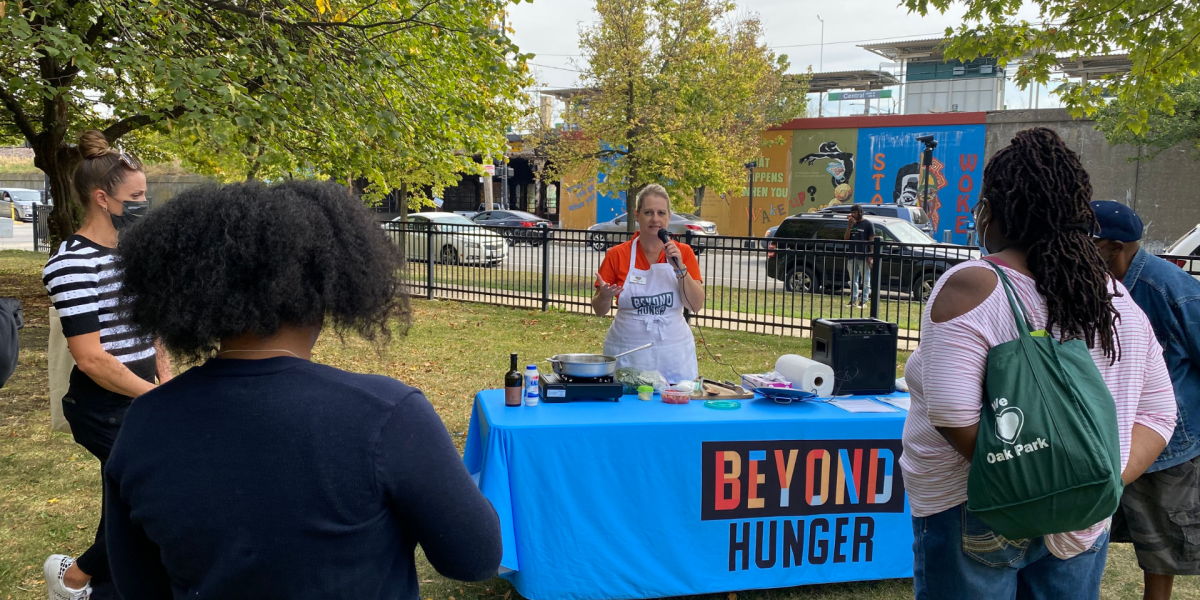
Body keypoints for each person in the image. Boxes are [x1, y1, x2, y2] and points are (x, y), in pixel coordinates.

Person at [103, 180, 502, 599]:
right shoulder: (387, 415)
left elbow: (136, 584)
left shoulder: (146, 422)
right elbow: (474, 559)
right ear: (328, 282)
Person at [901, 128, 1177, 599]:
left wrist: (1035, 480)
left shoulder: (972, 287)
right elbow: (1158, 412)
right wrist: (1088, 481)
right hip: (1084, 516)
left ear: (995, 210)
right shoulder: (1117, 300)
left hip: (978, 507)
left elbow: (952, 415)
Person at [42, 131, 172, 600]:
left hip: (142, 396)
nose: (144, 203)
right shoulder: (71, 265)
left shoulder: (133, 254)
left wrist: (167, 382)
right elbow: (92, 358)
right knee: (149, 495)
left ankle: (92, 580)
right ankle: (73, 578)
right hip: (101, 408)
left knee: (130, 499)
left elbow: (152, 328)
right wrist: (159, 397)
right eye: (135, 196)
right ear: (102, 198)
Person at [1092, 200, 1200, 600]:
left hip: (1166, 444)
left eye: (1086, 244)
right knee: (1093, 530)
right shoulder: (1093, 284)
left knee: (1162, 549)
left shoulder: (1171, 289)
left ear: (1113, 247)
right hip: (1108, 436)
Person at [591, 184, 704, 384]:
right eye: (648, 212)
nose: (655, 219)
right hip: (628, 354)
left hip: (674, 356)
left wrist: (680, 269)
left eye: (661, 213)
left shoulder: (684, 253)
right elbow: (599, 310)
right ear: (637, 215)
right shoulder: (617, 254)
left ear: (669, 216)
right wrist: (605, 296)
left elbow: (695, 305)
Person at [843, 204, 875, 308]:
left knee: (866, 280)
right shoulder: (852, 224)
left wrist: (871, 255)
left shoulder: (868, 224)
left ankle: (864, 301)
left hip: (864, 255)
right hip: (852, 255)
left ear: (860, 212)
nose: (853, 215)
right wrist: (849, 226)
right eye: (852, 213)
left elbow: (871, 240)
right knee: (852, 280)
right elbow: (846, 239)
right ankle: (853, 300)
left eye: (855, 213)